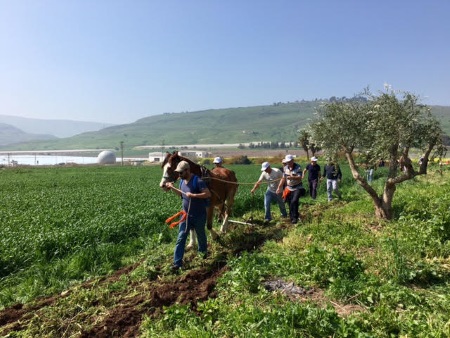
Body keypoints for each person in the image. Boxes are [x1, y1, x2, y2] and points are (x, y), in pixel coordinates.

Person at [165, 160, 211, 271]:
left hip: (199, 215)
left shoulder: (198, 181)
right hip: (185, 215)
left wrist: (194, 195)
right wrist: (172, 188)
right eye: (178, 173)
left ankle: (202, 255)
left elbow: (207, 194)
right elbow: (181, 194)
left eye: (181, 173)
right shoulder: (181, 182)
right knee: (181, 238)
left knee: (201, 236)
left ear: (187, 170)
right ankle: (177, 263)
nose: (179, 175)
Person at [277, 154, 303, 224]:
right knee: (290, 203)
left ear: (293, 160)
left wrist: (292, 177)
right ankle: (292, 218)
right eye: (287, 162)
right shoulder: (285, 168)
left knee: (294, 201)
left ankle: (295, 217)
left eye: (290, 161)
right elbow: (283, 178)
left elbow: (300, 177)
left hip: (297, 187)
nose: (288, 163)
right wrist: (279, 187)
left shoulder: (298, 167)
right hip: (289, 188)